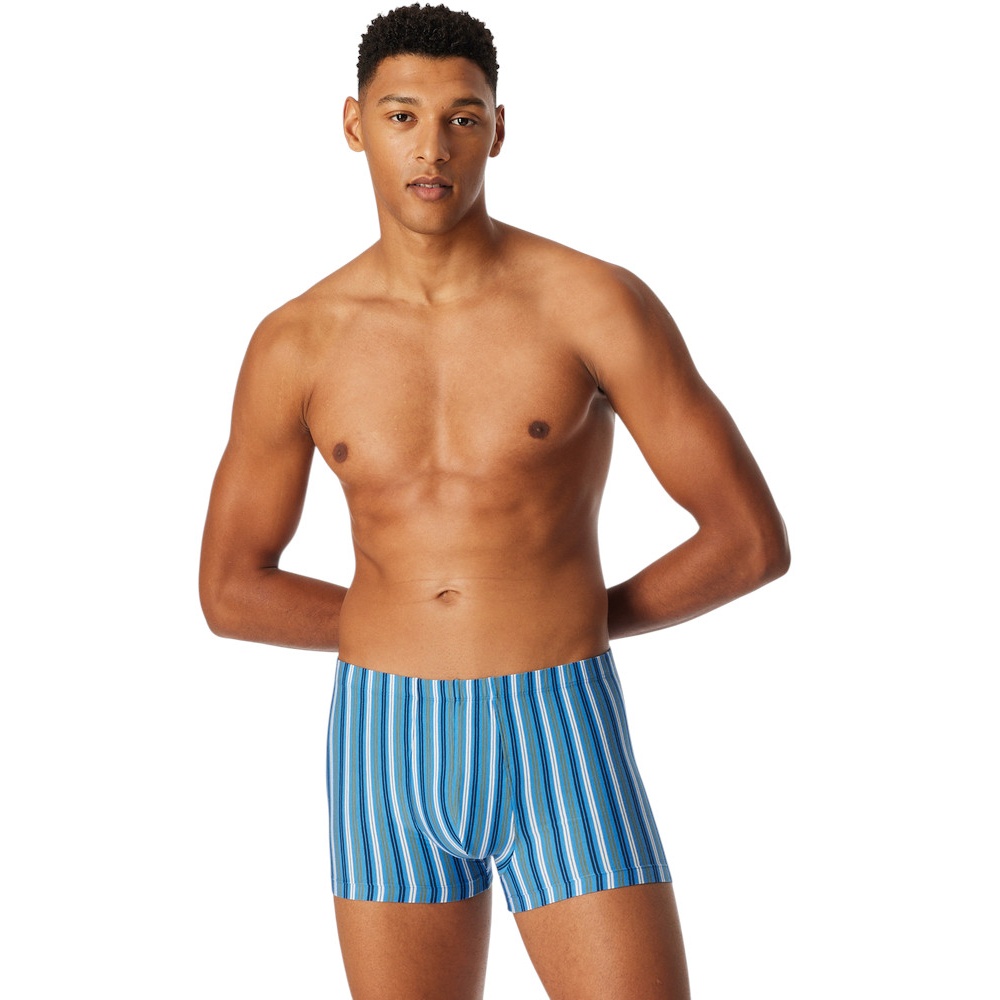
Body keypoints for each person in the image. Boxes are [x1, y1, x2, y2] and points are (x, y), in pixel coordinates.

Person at [199, 4, 789, 997]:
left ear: (498, 130)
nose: (432, 147)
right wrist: (407, 625)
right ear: (353, 124)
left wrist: (554, 616)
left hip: (557, 717)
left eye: (461, 118)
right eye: (401, 116)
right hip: (383, 737)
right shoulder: (296, 341)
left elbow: (746, 540)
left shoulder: (593, 302)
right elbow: (230, 589)